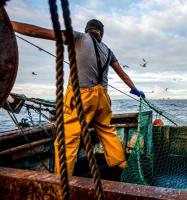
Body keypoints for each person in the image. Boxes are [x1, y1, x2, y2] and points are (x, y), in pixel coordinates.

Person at [11, 19, 145, 176]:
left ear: (87, 30)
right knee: (107, 131)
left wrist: (9, 23)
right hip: (103, 99)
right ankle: (122, 165)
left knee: (68, 138)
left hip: (82, 97)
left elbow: (37, 31)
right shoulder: (108, 50)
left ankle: (62, 179)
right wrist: (134, 89)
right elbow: (122, 73)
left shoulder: (79, 37)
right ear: (101, 33)